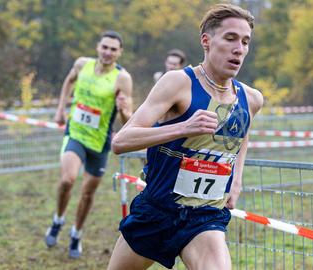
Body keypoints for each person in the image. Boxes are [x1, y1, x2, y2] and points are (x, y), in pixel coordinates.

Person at [107, 4, 263, 270]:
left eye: (245, 42)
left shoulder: (251, 99)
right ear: (206, 41)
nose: (239, 49)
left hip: (205, 217)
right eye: (230, 38)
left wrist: (236, 179)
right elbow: (121, 142)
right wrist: (182, 127)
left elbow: (243, 134)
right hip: (157, 210)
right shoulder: (179, 82)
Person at [44, 30, 133, 259]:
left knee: (87, 193)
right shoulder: (82, 64)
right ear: (98, 47)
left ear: (119, 53)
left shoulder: (122, 78)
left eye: (113, 49)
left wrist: (123, 110)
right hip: (75, 133)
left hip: (99, 143)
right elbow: (69, 80)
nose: (108, 52)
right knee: (67, 179)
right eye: (105, 47)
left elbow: (129, 120)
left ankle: (76, 233)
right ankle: (58, 220)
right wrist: (60, 108)